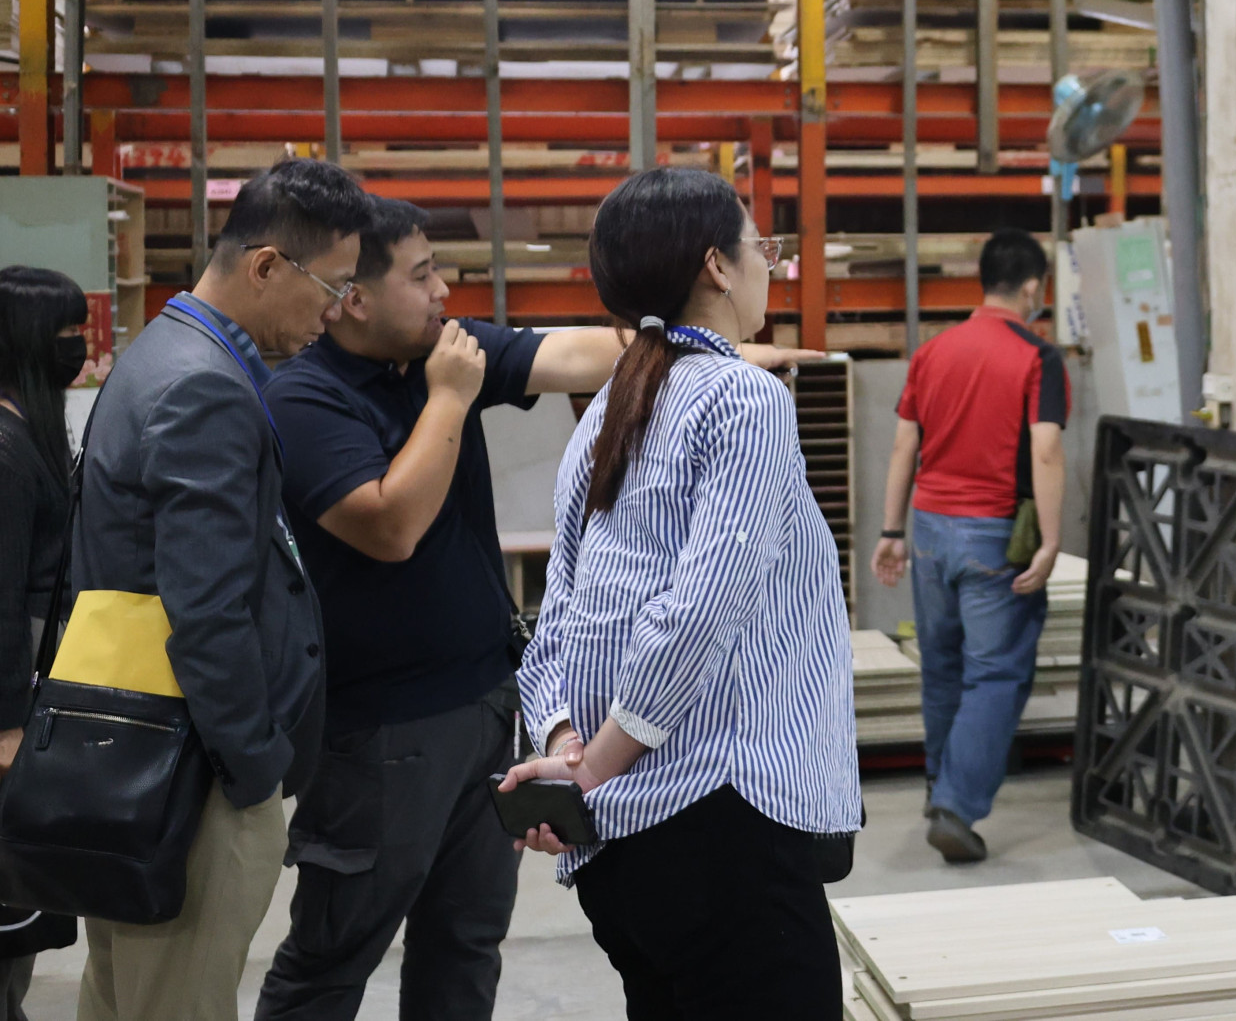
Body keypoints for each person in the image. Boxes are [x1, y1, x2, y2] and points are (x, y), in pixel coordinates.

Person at [254, 197, 820, 1020]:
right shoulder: (308, 397)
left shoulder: (454, 351)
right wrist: (450, 398)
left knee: (466, 941)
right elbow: (390, 526)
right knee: (335, 951)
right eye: (422, 276)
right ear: (354, 296)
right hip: (381, 733)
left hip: (487, 709)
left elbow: (576, 352)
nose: (444, 292)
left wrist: (708, 351)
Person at [503, 167, 860, 1021]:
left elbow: (558, 618)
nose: (769, 263)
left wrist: (567, 748)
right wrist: (593, 766)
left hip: (621, 842)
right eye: (759, 246)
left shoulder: (609, 409)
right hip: (721, 821)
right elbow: (700, 612)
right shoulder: (744, 399)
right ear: (716, 266)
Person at [69, 158, 372, 1021]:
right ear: (268, 265)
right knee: (178, 1001)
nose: (335, 312)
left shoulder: (164, 350)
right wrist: (250, 767)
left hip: (138, 756)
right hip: (190, 772)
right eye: (333, 286)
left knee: (125, 995)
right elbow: (206, 607)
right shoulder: (204, 385)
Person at [869, 228, 1068, 864]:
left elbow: (905, 444)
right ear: (1033, 287)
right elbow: (1045, 448)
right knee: (997, 671)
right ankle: (955, 807)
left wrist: (891, 531)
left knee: (942, 666)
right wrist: (1052, 540)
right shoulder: (1038, 356)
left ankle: (940, 786)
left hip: (929, 530)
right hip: (992, 534)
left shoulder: (932, 352)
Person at [0, 267, 89, 1018]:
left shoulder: (30, 431)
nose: (80, 349)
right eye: (66, 334)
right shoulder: (5, 449)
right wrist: (6, 726)